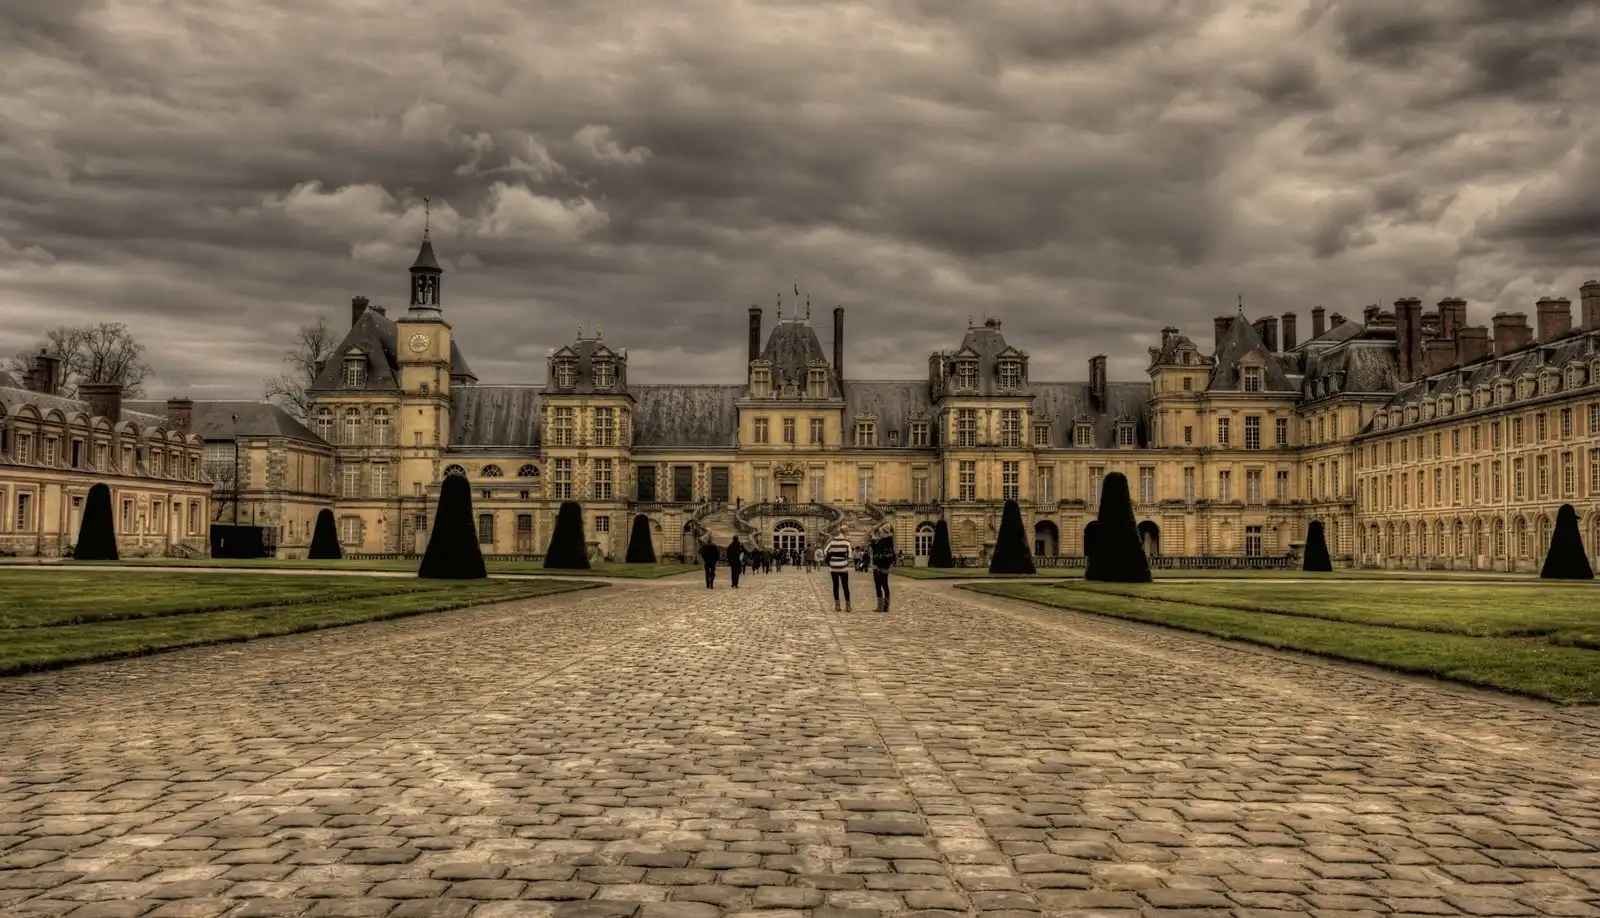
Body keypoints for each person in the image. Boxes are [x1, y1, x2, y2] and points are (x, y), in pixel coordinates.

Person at [823, 530, 854, 612]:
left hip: (833, 565)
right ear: (845, 533)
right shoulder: (847, 542)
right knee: (845, 586)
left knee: (835, 586)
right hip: (843, 566)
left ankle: (837, 606)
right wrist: (844, 556)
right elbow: (850, 555)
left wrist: (832, 555)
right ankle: (848, 606)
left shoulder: (832, 541)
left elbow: (825, 551)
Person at [870, 524, 895, 612]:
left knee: (878, 585)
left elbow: (874, 547)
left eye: (881, 531)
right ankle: (886, 606)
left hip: (878, 565)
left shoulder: (883, 541)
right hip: (886, 565)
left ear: (884, 531)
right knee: (885, 585)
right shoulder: (889, 540)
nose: (880, 533)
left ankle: (880, 606)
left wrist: (873, 536)